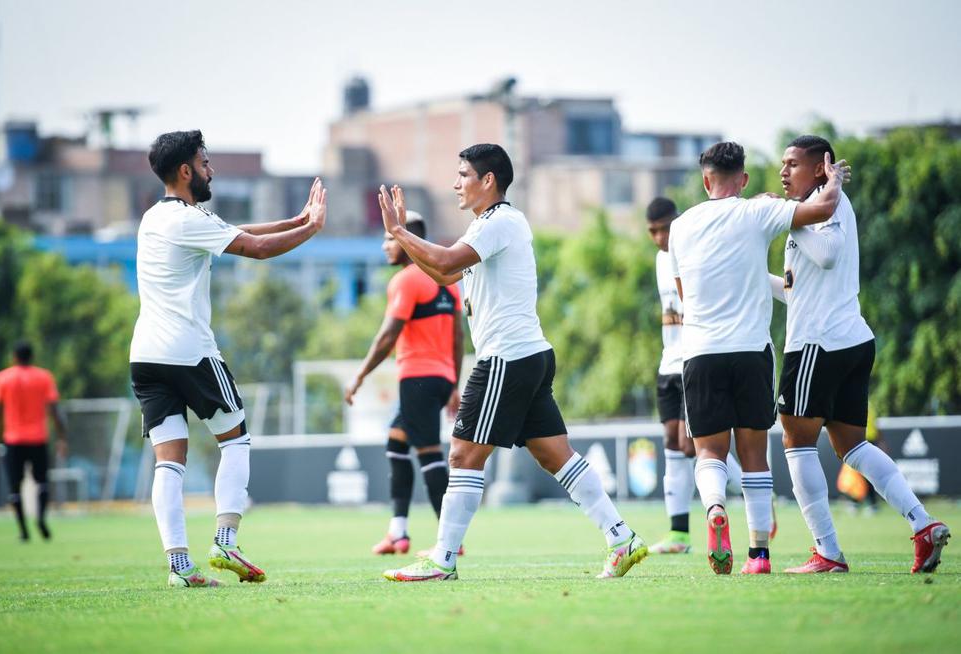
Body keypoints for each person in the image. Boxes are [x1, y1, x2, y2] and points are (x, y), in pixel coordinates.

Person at [380, 144, 648, 582]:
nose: (455, 183)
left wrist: (400, 231)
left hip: (507, 357)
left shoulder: (499, 221)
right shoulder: (489, 226)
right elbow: (446, 273)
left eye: (463, 174)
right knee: (555, 455)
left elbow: (445, 261)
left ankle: (442, 559)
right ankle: (621, 537)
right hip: (529, 355)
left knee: (464, 455)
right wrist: (409, 244)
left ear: (488, 180)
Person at [130, 130, 327, 587]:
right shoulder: (186, 220)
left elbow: (240, 232)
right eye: (204, 162)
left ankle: (180, 567)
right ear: (186, 171)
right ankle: (225, 539)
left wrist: (295, 219)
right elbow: (253, 248)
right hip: (189, 352)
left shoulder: (156, 218)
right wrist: (312, 228)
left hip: (146, 357)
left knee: (170, 461)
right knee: (235, 441)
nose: (210, 170)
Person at [769, 135, 950, 574]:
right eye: (783, 163)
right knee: (852, 445)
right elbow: (798, 291)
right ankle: (922, 524)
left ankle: (827, 551)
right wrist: (751, 276)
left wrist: (788, 218)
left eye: (793, 163)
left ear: (820, 167)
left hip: (817, 343)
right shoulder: (817, 207)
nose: (783, 171)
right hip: (848, 339)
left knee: (795, 441)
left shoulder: (823, 206)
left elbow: (827, 255)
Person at [669, 141, 849, 575]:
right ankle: (760, 555)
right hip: (751, 351)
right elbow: (822, 211)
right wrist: (834, 179)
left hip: (701, 351)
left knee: (710, 452)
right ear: (744, 179)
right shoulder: (756, 211)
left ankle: (714, 507)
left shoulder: (681, 225)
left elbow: (681, 294)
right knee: (754, 455)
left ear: (705, 179)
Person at [344, 211, 463, 556]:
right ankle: (398, 534)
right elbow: (457, 337)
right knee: (397, 444)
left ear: (409, 240)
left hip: (418, 380)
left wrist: (360, 375)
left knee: (429, 454)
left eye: (390, 238)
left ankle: (450, 543)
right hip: (440, 380)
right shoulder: (447, 281)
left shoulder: (407, 280)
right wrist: (453, 383)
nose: (384, 245)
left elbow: (387, 336)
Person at [643, 198, 746, 555]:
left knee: (692, 444)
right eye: (653, 231)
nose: (659, 237)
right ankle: (679, 534)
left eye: (665, 228)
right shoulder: (660, 260)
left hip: (694, 360)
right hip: (667, 363)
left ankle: (753, 488)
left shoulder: (694, 252)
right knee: (673, 441)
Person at [0, 341, 68, 542]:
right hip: (38, 438)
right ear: (32, 356)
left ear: (14, 357)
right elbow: (54, 411)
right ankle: (41, 518)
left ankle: (23, 530)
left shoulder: (3, 378)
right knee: (42, 482)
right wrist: (61, 438)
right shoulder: (43, 377)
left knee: (15, 487)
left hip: (13, 440)